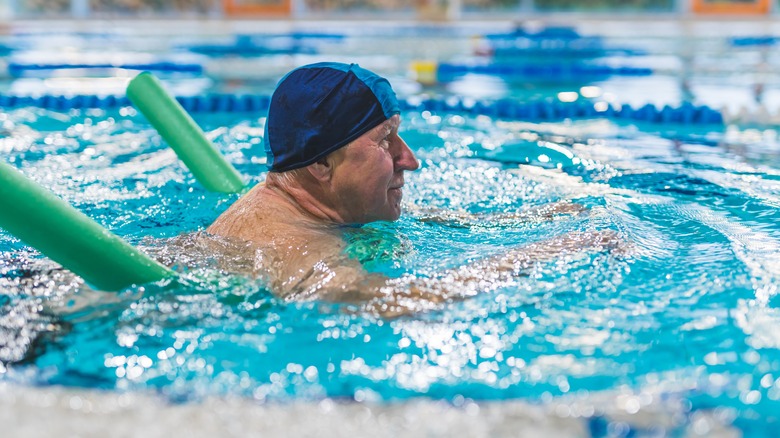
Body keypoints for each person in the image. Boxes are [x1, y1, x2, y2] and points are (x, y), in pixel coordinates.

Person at [207, 62, 618, 316]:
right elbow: (390, 302)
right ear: (321, 163)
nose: (410, 159)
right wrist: (547, 253)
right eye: (385, 140)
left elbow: (419, 225)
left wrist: (527, 220)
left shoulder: (307, 210)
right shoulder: (292, 247)